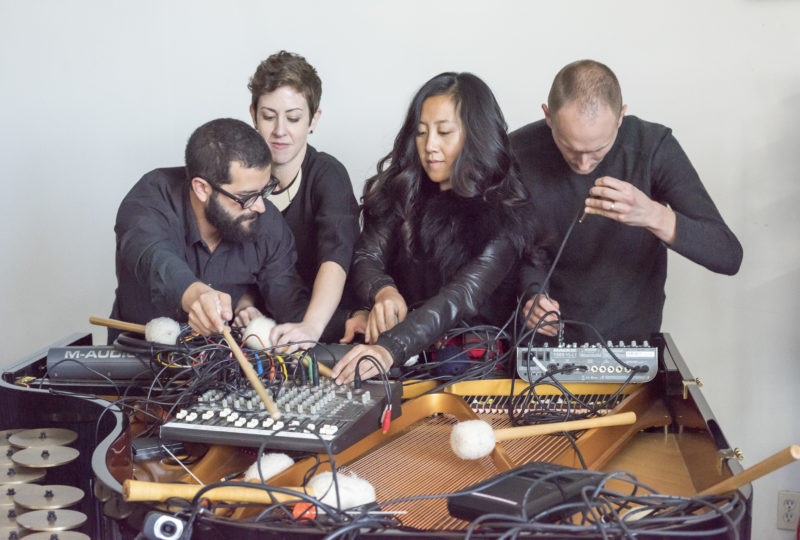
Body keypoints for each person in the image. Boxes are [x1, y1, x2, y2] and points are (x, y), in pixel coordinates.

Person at [512, 59, 743, 345]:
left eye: (598, 149)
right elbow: (519, 251)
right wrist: (533, 295)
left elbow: (728, 255)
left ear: (621, 117)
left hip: (630, 344)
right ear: (548, 116)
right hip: (542, 343)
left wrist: (653, 215)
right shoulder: (518, 152)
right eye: (569, 146)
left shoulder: (653, 147)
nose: (584, 163)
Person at [331, 72, 535, 384]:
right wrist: (382, 291)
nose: (430, 147)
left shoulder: (504, 211)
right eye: (422, 133)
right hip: (403, 350)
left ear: (474, 135)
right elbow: (366, 257)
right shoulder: (402, 187)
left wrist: (390, 348)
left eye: (444, 132)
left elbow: (460, 296)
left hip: (467, 359)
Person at [110, 117, 309, 341]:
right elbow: (154, 258)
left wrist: (349, 319)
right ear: (202, 189)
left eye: (265, 190)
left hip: (224, 368)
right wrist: (195, 294)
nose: (261, 206)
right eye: (246, 197)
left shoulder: (266, 221)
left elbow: (290, 303)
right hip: (136, 365)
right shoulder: (149, 200)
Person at [236, 51, 360, 346]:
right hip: (264, 331)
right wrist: (242, 303)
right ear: (253, 114)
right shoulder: (237, 174)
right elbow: (228, 252)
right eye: (268, 116)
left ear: (313, 119)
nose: (280, 131)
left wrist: (311, 327)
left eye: (293, 118)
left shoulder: (328, 174)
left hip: (326, 325)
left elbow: (336, 256)